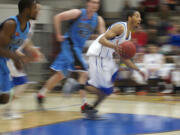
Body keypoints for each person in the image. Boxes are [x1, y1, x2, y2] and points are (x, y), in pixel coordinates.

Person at [36, 0, 106, 112]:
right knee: (84, 73)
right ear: (87, 3)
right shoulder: (78, 13)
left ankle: (40, 94)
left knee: (60, 75)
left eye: (97, 3)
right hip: (70, 46)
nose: (95, 5)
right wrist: (58, 34)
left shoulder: (98, 19)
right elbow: (57, 17)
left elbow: (103, 36)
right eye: (92, 2)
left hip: (76, 49)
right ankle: (84, 105)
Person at [77, 10, 145, 118]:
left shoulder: (129, 36)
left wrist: (139, 70)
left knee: (108, 90)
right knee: (104, 89)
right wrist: (115, 47)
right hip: (98, 54)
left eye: (140, 17)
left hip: (107, 58)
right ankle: (78, 86)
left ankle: (91, 109)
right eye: (137, 16)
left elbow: (125, 58)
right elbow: (102, 40)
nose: (140, 19)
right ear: (129, 18)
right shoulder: (120, 27)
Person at [0, 0, 40, 119]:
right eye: (35, 8)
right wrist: (20, 57)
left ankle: (7, 111)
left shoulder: (27, 26)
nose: (37, 11)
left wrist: (17, 61)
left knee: (5, 98)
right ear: (26, 10)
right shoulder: (11, 24)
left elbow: (12, 47)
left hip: (4, 60)